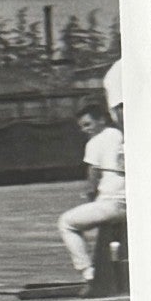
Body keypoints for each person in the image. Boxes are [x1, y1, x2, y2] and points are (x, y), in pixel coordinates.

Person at [58, 101, 126, 289]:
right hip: (129, 202)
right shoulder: (119, 134)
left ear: (101, 120)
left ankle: (88, 273)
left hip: (112, 204)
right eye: (82, 127)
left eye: (88, 124)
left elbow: (93, 175)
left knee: (66, 223)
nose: (85, 130)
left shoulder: (95, 142)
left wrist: (90, 194)